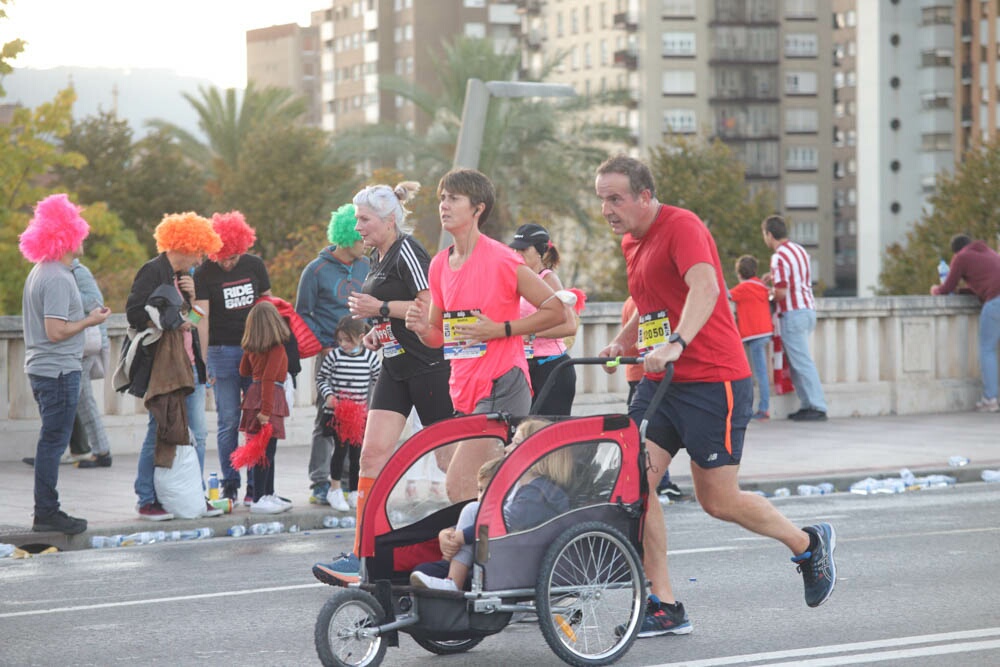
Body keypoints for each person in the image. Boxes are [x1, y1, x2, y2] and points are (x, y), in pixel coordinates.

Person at [595, 155, 836, 638]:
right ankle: (663, 604)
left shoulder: (681, 227)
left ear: (644, 195)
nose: (607, 209)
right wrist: (626, 339)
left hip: (713, 380)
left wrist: (678, 343)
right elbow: (652, 306)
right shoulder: (631, 241)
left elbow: (705, 289)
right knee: (635, 482)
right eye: (601, 199)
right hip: (661, 384)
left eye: (615, 198)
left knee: (718, 501)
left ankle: (807, 543)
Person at [313, 181, 454, 585]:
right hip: (394, 366)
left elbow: (431, 309)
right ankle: (362, 553)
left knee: (450, 463)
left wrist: (380, 307)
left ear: (389, 220)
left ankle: (477, 542)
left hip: (428, 368)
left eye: (364, 219)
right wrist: (379, 328)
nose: (357, 226)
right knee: (371, 456)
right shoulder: (377, 256)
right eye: (356, 219)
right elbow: (396, 316)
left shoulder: (407, 250)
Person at [404, 168, 566, 502]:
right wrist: (422, 330)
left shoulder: (502, 259)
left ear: (478, 209)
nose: (444, 206)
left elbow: (556, 311)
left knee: (460, 485)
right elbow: (438, 337)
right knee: (482, 486)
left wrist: (500, 329)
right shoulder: (438, 265)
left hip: (502, 383)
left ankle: (489, 547)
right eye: (442, 199)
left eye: (454, 199)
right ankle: (502, 545)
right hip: (463, 388)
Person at [19, 194, 111, 534]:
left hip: (47, 369)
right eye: (80, 231)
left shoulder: (41, 271)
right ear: (67, 235)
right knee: (53, 443)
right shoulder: (58, 277)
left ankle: (47, 509)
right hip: (58, 370)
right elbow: (56, 331)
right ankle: (47, 512)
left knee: (52, 441)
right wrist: (89, 321)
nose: (84, 237)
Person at [124, 212, 222, 521]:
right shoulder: (153, 271)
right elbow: (134, 314)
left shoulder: (185, 277)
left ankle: (194, 495)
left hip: (190, 365)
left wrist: (190, 302)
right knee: (159, 430)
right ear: (183, 244)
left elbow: (190, 325)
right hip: (164, 367)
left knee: (199, 433)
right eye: (198, 250)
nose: (200, 257)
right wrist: (166, 319)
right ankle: (146, 498)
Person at [194, 210, 271, 503]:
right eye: (221, 257)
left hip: (255, 350)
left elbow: (267, 306)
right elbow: (201, 317)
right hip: (221, 351)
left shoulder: (254, 265)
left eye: (233, 257)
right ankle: (230, 481)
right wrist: (203, 362)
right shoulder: (203, 272)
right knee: (227, 420)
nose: (227, 263)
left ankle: (255, 484)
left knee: (254, 419)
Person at [296, 204, 370, 505]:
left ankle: (350, 483)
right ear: (346, 236)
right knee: (327, 420)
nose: (365, 241)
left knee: (359, 419)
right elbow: (303, 313)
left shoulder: (368, 265)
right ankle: (319, 483)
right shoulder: (315, 270)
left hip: (363, 357)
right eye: (360, 236)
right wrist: (325, 344)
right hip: (330, 356)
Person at [761, 215, 828, 421]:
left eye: (764, 235)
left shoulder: (778, 256)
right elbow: (797, 278)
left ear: (769, 234)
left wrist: (767, 293)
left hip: (792, 313)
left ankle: (817, 405)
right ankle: (808, 404)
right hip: (808, 309)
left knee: (802, 362)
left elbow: (781, 292)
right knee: (800, 360)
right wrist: (772, 277)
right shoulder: (799, 250)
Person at [508, 223, 579, 415]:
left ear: (539, 251)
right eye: (514, 249)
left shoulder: (548, 279)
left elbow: (570, 326)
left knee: (551, 438)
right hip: (525, 368)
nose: (517, 253)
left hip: (551, 368)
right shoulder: (518, 280)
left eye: (523, 249)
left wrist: (531, 333)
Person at [408, 456, 505, 592]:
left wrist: (461, 537)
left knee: (471, 510)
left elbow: (489, 528)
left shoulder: (507, 512)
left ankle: (453, 583)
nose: (482, 496)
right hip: (468, 565)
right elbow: (464, 529)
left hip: (489, 568)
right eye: (480, 490)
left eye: (489, 490)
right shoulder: (478, 511)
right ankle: (450, 584)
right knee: (423, 570)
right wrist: (447, 535)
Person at [315, 316, 381, 512]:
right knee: (340, 451)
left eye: (348, 340)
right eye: (340, 339)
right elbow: (321, 378)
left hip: (359, 416)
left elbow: (379, 380)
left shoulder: (369, 358)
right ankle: (334, 489)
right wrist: (328, 395)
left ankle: (354, 491)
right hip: (338, 414)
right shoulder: (334, 356)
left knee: (357, 455)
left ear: (361, 337)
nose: (343, 344)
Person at [622, 296, 683, 500]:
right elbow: (634, 342)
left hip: (650, 374)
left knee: (650, 432)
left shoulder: (637, 302)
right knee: (646, 433)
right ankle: (661, 483)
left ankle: (661, 483)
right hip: (644, 374)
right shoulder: (636, 303)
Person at [931, 233, 1000, 412]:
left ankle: (990, 399)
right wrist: (964, 291)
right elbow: (984, 282)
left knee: (987, 349)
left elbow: (947, 288)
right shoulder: (988, 252)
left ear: (956, 251)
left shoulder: (961, 257)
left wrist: (936, 290)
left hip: (996, 301)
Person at [238, 301, 293, 515]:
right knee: (266, 452)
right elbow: (269, 378)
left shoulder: (252, 348)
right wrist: (267, 411)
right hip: (269, 398)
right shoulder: (277, 348)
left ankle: (267, 493)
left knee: (264, 450)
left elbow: (244, 370)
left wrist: (248, 349)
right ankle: (260, 496)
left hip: (254, 394)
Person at [71, 258, 113, 468]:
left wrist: (63, 294)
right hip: (77, 345)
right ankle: (100, 451)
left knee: (80, 401)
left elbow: (95, 302)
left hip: (84, 347)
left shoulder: (78, 271)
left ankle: (100, 451)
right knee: (82, 400)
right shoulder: (65, 271)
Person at [729, 255, 774, 421]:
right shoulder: (761, 286)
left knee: (756, 373)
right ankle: (764, 407)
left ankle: (763, 409)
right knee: (762, 372)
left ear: (739, 273)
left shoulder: (743, 288)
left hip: (752, 334)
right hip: (765, 331)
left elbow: (725, 296)